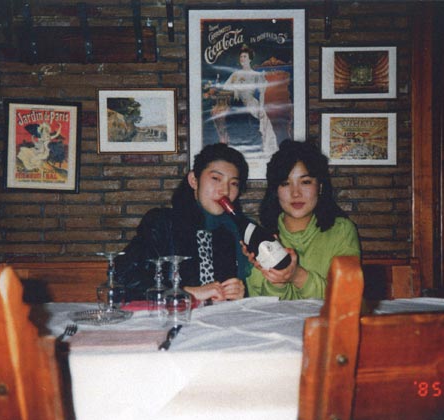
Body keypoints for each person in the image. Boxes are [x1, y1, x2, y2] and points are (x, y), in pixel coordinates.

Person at [115, 143, 251, 303]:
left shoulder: (230, 231)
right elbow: (123, 277)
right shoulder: (163, 222)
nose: (225, 191)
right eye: (216, 178)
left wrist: (238, 292)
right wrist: (186, 293)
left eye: (233, 183)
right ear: (194, 180)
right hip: (169, 316)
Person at [246, 140, 361, 299]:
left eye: (305, 182)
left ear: (320, 186)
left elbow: (346, 296)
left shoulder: (342, 231)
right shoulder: (260, 239)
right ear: (275, 190)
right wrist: (278, 281)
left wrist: (298, 276)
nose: (296, 193)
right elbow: (261, 305)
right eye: (285, 183)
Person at [220, 45, 278, 156]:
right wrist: (235, 89)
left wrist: (261, 108)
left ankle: (262, 150)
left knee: (262, 123)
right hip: (237, 104)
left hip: (251, 104)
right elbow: (225, 87)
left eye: (245, 57)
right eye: (241, 57)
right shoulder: (235, 74)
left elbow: (262, 93)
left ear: (250, 59)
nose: (242, 59)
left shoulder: (256, 75)